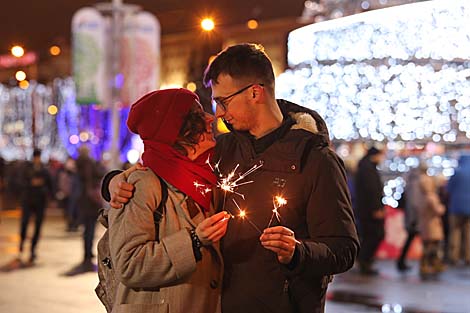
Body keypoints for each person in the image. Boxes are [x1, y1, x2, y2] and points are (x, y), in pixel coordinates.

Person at [105, 43, 359, 313]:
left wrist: (298, 253)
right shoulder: (222, 150)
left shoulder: (316, 160)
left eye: (223, 102)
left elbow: (344, 249)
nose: (218, 114)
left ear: (254, 93)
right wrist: (112, 182)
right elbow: (166, 164)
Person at [105, 88, 229, 312]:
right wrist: (193, 241)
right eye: (198, 117)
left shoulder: (206, 177)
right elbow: (129, 264)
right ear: (176, 131)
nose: (210, 118)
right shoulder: (142, 185)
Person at [64, 146, 105, 275]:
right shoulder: (90, 164)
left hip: (83, 202)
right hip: (90, 202)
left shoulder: (77, 166)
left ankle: (87, 253)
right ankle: (88, 253)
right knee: (90, 229)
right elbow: (99, 174)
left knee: (87, 229)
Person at [354, 146, 386, 275]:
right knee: (375, 235)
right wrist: (376, 208)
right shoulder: (368, 170)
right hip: (370, 210)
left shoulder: (365, 167)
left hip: (365, 209)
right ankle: (364, 260)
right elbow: (372, 190)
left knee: (370, 235)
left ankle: (364, 260)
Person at [18, 148, 53, 264]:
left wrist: (49, 195)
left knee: (38, 226)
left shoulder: (44, 169)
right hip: (28, 200)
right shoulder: (26, 169)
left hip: (40, 201)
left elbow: (50, 184)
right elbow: (20, 182)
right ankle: (21, 244)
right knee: (24, 223)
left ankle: (33, 249)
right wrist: (31, 183)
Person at [416, 168, 446, 276]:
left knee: (427, 246)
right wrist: (442, 208)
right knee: (433, 246)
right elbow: (438, 210)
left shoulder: (420, 196)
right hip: (433, 224)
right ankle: (432, 264)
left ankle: (427, 265)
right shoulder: (431, 197)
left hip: (424, 224)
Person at [396, 166, 421, 272]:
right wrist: (414, 218)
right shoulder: (416, 185)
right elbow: (414, 203)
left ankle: (401, 261)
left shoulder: (409, 184)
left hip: (410, 216)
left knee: (409, 239)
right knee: (412, 238)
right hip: (414, 218)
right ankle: (401, 261)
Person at [447, 154, 470, 266]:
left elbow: (448, 189)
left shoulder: (457, 172)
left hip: (456, 207)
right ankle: (468, 256)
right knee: (468, 233)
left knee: (455, 232)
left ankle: (454, 256)